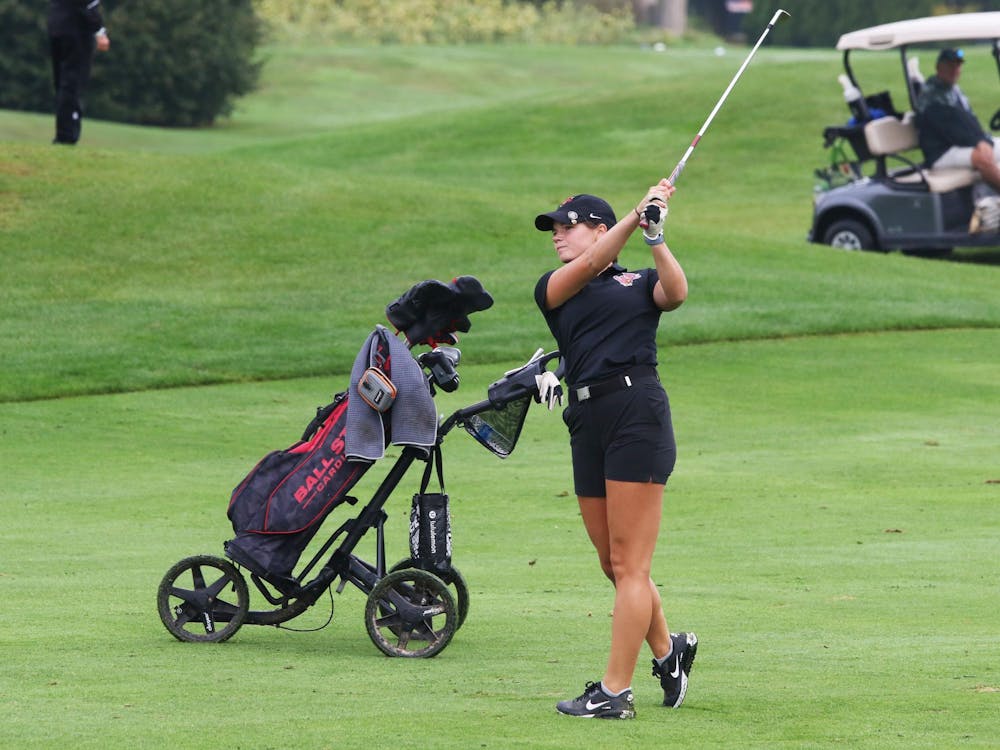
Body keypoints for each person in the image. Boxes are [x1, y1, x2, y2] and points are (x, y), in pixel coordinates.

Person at [532, 182, 696, 720]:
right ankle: (671, 655)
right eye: (554, 227)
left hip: (636, 414)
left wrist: (656, 234)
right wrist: (635, 213)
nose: (558, 233)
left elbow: (675, 294)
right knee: (613, 562)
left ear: (599, 229)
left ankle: (615, 692)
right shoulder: (557, 286)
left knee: (630, 564)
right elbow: (595, 262)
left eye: (568, 224)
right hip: (586, 419)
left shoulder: (637, 279)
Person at [914, 48, 1000, 191]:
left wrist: (982, 140)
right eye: (949, 65)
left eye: (957, 66)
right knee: (982, 158)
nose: (954, 70)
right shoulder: (932, 95)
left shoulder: (953, 90)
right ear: (938, 67)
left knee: (987, 150)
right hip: (941, 152)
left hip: (960, 144)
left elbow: (968, 121)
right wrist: (979, 142)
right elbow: (953, 129)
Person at [47, 0, 110, 145]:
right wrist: (100, 31)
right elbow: (88, 5)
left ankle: (63, 132)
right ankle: (66, 135)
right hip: (76, 29)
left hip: (56, 25)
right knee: (72, 83)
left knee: (61, 82)